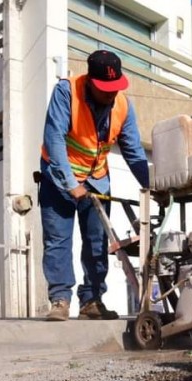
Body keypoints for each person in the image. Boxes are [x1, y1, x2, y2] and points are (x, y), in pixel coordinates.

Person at [39, 50, 150, 321]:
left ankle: (91, 300)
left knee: (98, 242)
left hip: (97, 178)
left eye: (115, 89)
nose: (111, 95)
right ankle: (60, 299)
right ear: (90, 81)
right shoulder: (66, 92)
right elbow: (54, 139)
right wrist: (70, 183)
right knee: (58, 240)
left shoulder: (123, 105)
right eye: (105, 90)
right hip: (58, 177)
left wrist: (152, 186)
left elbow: (134, 152)